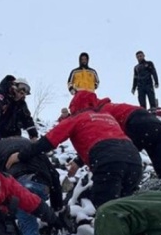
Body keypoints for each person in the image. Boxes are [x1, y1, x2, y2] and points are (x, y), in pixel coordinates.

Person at [8, 90, 141, 209]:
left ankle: (108, 234)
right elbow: (107, 141)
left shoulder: (76, 118)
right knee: (125, 208)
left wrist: (20, 156)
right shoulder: (107, 117)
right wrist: (78, 162)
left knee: (106, 210)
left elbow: (47, 141)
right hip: (134, 160)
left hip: (108, 162)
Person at [0, 137, 63, 235]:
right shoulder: (33, 148)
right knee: (25, 217)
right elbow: (55, 176)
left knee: (26, 221)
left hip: (20, 184)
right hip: (41, 184)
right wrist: (57, 209)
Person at [95, 96, 161, 182]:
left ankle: (125, 192)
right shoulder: (115, 106)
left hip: (137, 125)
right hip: (158, 126)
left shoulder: (99, 114)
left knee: (122, 163)